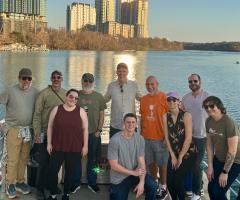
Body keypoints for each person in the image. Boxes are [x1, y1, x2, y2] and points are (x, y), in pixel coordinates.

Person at [0, 68, 38, 199]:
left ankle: (20, 182)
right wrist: (1, 121)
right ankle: (10, 183)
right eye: (24, 78)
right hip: (13, 129)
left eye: (29, 78)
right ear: (19, 78)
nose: (26, 81)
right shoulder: (10, 91)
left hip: (28, 130)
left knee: (24, 158)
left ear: (32, 80)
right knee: (13, 159)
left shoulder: (35, 92)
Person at [46, 89, 88, 200]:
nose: (73, 99)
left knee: (70, 173)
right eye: (71, 96)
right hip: (57, 146)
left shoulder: (81, 111)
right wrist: (49, 143)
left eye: (76, 98)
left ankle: (66, 194)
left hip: (74, 148)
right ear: (66, 96)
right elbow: (50, 126)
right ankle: (53, 193)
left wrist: (85, 146)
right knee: (52, 171)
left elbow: (85, 130)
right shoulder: (57, 109)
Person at [33, 70, 66, 200]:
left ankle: (52, 185)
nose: (56, 79)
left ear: (62, 79)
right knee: (43, 162)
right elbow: (37, 114)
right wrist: (37, 132)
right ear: (51, 79)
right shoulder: (43, 94)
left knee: (55, 163)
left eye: (58, 77)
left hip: (59, 135)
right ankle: (40, 188)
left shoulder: (65, 94)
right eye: (54, 77)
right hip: (45, 133)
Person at [108, 113, 157, 200]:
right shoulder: (115, 140)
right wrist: (133, 172)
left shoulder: (140, 139)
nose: (131, 125)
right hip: (119, 178)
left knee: (153, 186)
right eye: (128, 122)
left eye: (133, 122)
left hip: (135, 173)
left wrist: (142, 182)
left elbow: (141, 162)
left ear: (136, 124)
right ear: (123, 124)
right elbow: (114, 166)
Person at [71, 73, 106, 193]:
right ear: (81, 81)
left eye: (90, 81)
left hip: (94, 134)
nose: (87, 83)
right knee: (76, 159)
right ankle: (75, 183)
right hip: (78, 134)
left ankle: (93, 182)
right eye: (85, 81)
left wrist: (99, 130)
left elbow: (102, 116)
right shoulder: (76, 95)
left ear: (93, 83)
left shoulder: (99, 97)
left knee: (94, 160)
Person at [203, 96, 240, 200]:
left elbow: (232, 151)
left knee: (218, 192)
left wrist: (225, 173)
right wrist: (210, 166)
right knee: (210, 189)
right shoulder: (208, 121)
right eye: (206, 107)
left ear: (219, 107)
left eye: (211, 106)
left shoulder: (228, 122)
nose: (208, 109)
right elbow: (209, 144)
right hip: (218, 158)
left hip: (235, 161)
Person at [163, 92, 197, 200]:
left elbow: (188, 139)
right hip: (174, 153)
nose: (171, 102)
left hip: (188, 153)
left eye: (174, 99)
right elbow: (167, 138)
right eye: (169, 100)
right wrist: (172, 156)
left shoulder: (186, 115)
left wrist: (180, 156)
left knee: (177, 182)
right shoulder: (165, 116)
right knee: (169, 183)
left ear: (179, 101)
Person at [140, 75, 169, 199]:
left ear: (157, 84)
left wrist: (167, 138)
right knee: (151, 163)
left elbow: (170, 119)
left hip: (160, 138)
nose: (150, 86)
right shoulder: (143, 99)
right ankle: (154, 184)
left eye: (152, 84)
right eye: (147, 84)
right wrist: (141, 134)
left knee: (162, 164)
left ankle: (163, 187)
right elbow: (142, 117)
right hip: (146, 137)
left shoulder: (165, 98)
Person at [182, 73, 209, 200]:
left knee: (197, 165)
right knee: (188, 163)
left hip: (202, 137)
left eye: (195, 81)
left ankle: (197, 192)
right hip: (188, 137)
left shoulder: (207, 97)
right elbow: (181, 116)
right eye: (190, 82)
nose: (192, 83)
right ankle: (189, 188)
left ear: (200, 81)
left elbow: (215, 115)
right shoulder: (185, 98)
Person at [104, 63, 141, 138]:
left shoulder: (134, 85)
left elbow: (140, 98)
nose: (121, 73)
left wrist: (153, 98)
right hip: (115, 125)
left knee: (131, 149)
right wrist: (93, 97)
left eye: (124, 71)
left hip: (130, 125)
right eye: (119, 71)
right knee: (115, 148)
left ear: (127, 72)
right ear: (116, 72)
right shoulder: (111, 86)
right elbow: (104, 99)